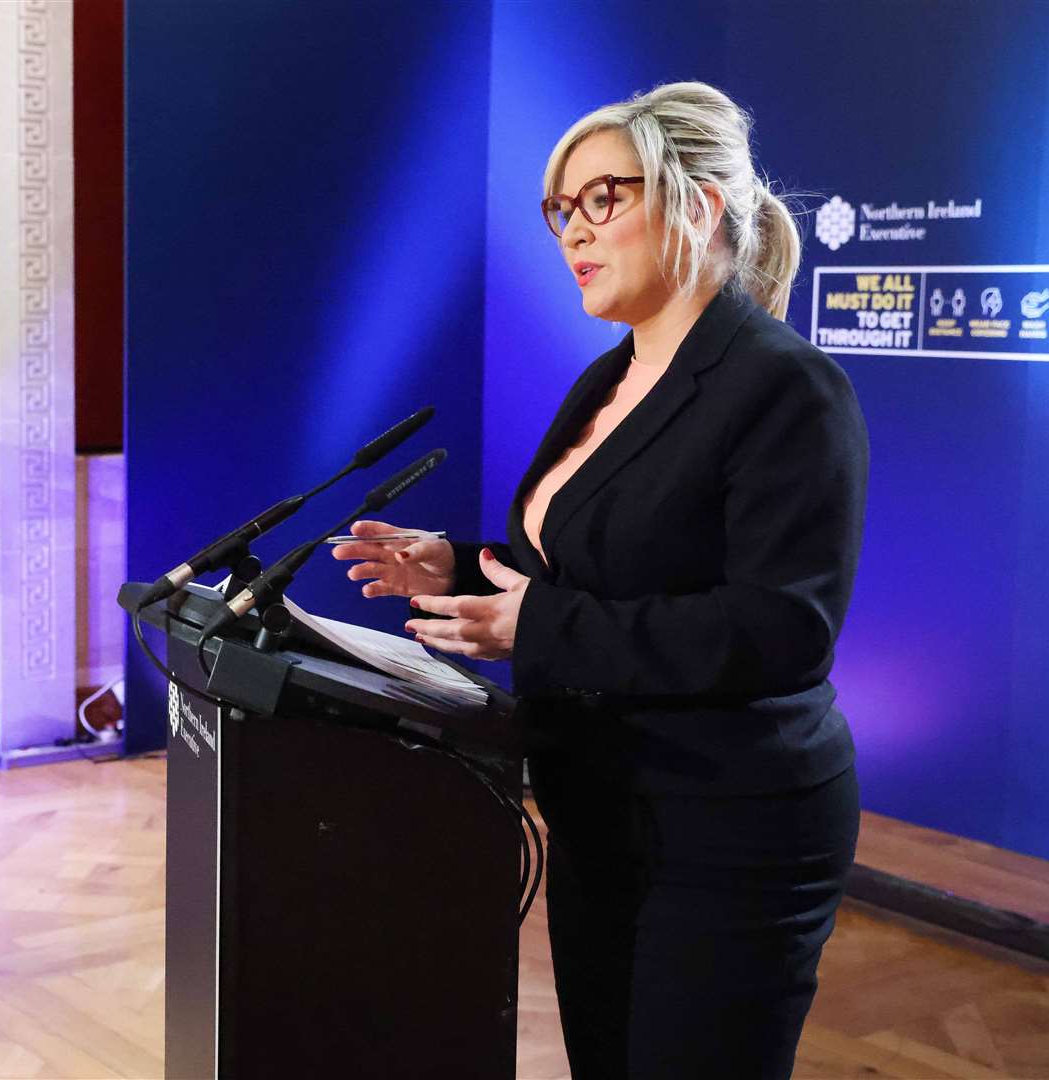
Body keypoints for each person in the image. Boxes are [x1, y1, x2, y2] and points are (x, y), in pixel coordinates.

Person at [334, 82, 868, 1078]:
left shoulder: (784, 386)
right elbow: (582, 564)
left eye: (601, 200)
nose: (572, 233)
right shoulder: (609, 376)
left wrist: (532, 630)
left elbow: (780, 630)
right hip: (602, 808)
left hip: (728, 828)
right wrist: (456, 563)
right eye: (559, 211)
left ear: (699, 207)